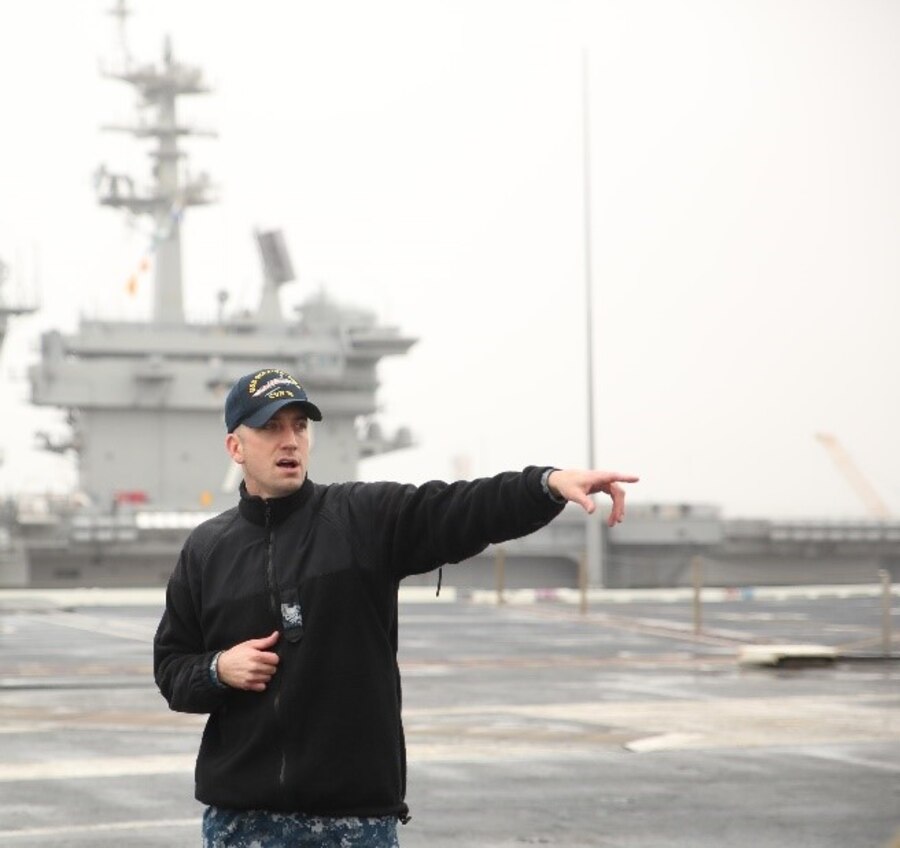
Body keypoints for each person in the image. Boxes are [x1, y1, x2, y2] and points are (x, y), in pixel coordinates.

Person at [153, 367, 638, 848]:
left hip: (354, 825)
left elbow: (458, 508)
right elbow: (172, 668)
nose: (290, 441)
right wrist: (219, 669)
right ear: (235, 447)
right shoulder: (206, 551)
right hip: (243, 825)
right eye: (270, 427)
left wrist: (545, 485)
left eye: (300, 426)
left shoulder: (360, 520)